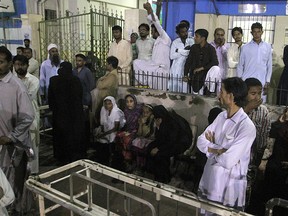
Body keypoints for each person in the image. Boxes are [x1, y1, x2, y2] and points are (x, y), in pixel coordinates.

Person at [197, 77, 256, 213]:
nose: (219, 95)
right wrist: (218, 149)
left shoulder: (246, 127)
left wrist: (211, 146)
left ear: (231, 96)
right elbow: (200, 142)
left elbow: (228, 160)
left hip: (229, 188)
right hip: (210, 180)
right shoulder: (221, 117)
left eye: (221, 91)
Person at [0, 46, 35, 215]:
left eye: (0, 62)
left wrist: (11, 137)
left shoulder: (16, 86)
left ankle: (19, 210)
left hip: (14, 146)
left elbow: (28, 116)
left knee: (16, 184)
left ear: (9, 64)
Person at [48, 62, 86, 164]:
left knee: (60, 137)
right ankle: (74, 156)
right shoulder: (75, 80)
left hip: (60, 114)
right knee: (73, 136)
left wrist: (55, 110)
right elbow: (79, 96)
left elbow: (50, 99)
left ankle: (61, 157)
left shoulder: (53, 80)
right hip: (74, 115)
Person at [133, 2, 171, 90]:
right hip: (153, 67)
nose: (151, 33)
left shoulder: (165, 38)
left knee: (160, 92)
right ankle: (144, 81)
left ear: (157, 31)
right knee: (136, 62)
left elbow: (156, 22)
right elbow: (152, 21)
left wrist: (149, 10)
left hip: (162, 69)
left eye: (153, 31)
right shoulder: (157, 41)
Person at [13, 55, 40, 175]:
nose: (19, 67)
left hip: (30, 116)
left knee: (32, 143)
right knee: (16, 144)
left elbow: (28, 97)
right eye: (17, 64)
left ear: (27, 66)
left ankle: (34, 172)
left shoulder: (33, 80)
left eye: (22, 65)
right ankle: (18, 171)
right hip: (14, 116)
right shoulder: (11, 80)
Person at [260, 110, 288, 216]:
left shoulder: (277, 126)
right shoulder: (276, 126)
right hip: (275, 166)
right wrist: (263, 161)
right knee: (270, 197)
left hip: (282, 170)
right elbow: (269, 147)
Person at [237, 22, 272, 102]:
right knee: (246, 103)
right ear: (251, 33)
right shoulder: (245, 48)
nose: (256, 34)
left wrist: (268, 81)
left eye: (258, 32)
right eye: (254, 32)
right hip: (247, 81)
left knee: (260, 105)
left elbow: (269, 65)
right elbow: (240, 65)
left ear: (262, 32)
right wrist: (240, 81)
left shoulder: (267, 47)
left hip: (262, 81)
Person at [183, 29, 220, 95]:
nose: (194, 38)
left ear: (203, 38)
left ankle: (210, 91)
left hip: (205, 75)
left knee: (216, 68)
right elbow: (188, 61)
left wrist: (202, 68)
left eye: (196, 36)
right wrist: (185, 74)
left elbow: (215, 62)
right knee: (195, 97)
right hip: (195, 75)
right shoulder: (194, 48)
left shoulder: (210, 48)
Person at [94, 96, 125, 166]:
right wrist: (102, 131)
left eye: (109, 104)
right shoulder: (103, 109)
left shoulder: (116, 112)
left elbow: (115, 128)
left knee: (109, 138)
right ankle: (102, 157)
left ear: (113, 103)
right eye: (106, 104)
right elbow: (102, 123)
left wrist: (104, 134)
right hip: (106, 129)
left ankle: (108, 157)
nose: (107, 106)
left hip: (113, 131)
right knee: (97, 135)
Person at [91, 56, 119, 125]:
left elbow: (99, 85)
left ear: (110, 65)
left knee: (102, 119)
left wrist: (100, 79)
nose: (105, 65)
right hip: (104, 99)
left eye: (106, 64)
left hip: (106, 100)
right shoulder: (109, 74)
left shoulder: (112, 76)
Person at [169, 22, 194, 93]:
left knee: (185, 90)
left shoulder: (191, 41)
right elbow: (171, 56)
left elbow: (191, 54)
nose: (185, 33)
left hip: (186, 68)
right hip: (176, 68)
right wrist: (184, 51)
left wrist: (179, 51)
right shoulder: (175, 42)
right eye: (182, 32)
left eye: (186, 31)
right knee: (174, 89)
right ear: (178, 33)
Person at [131, 104, 155, 174]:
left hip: (151, 139)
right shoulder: (141, 118)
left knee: (145, 146)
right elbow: (139, 133)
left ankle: (143, 166)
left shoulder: (153, 120)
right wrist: (141, 124)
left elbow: (151, 134)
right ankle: (138, 164)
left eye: (147, 112)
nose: (145, 114)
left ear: (151, 113)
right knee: (136, 142)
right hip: (143, 138)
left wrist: (144, 137)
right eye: (144, 112)